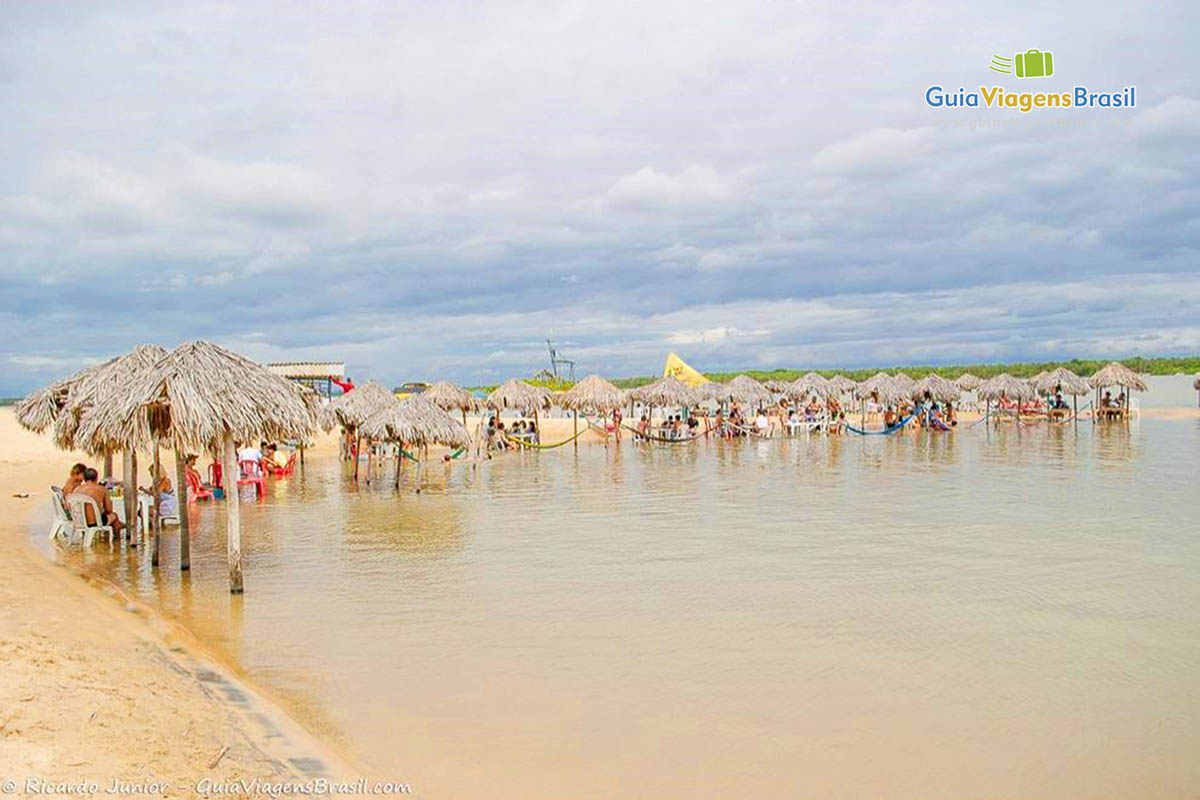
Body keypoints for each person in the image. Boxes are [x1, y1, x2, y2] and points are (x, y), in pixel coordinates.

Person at [74, 467, 124, 535]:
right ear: (96, 478)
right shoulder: (101, 489)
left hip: (79, 521)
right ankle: (115, 542)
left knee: (113, 519)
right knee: (114, 516)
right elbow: (109, 509)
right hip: (94, 522)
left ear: (84, 478)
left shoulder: (77, 489)